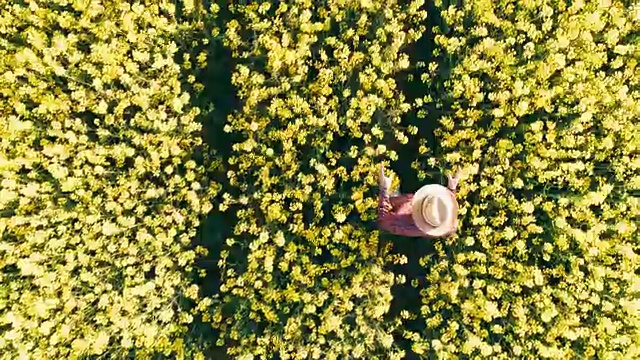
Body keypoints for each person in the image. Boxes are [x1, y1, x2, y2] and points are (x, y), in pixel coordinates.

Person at [378, 164, 461, 238]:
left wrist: (384, 189)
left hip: (386, 204)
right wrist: (452, 188)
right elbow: (444, 213)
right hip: (402, 199)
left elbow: (384, 220)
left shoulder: (404, 220)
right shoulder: (435, 222)